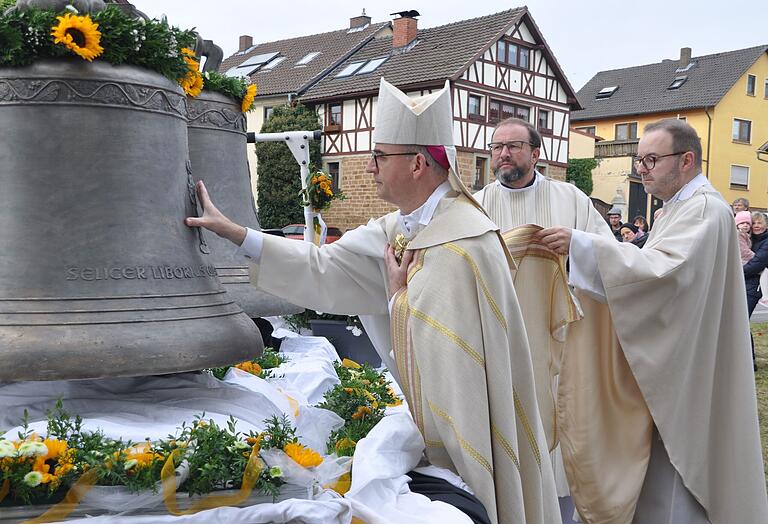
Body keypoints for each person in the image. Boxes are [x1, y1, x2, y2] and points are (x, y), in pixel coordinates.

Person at [186, 78, 559, 524]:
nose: (369, 168)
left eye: (380, 156)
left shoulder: (464, 239)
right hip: (431, 426)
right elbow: (322, 267)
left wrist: (400, 296)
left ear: (418, 163)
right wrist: (236, 234)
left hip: (470, 426)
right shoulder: (398, 227)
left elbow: (454, 360)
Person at [535, 118, 768, 523]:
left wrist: (582, 246)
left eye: (651, 159)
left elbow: (662, 276)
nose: (641, 168)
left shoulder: (706, 211)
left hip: (689, 373)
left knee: (678, 487)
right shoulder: (676, 209)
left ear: (687, 160)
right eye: (639, 159)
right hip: (676, 359)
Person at [475, 117, 646, 523]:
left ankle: (560, 509)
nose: (503, 154)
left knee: (559, 425)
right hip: (500, 334)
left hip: (562, 337)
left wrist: (577, 245)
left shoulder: (570, 198)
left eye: (513, 146)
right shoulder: (478, 202)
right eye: (497, 146)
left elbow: (610, 255)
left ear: (536, 154)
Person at [744, 211, 768, 370]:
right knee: (741, 321)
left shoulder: (766, 242)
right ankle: (747, 360)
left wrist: (736, 271)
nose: (756, 226)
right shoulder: (748, 240)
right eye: (754, 223)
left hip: (756, 285)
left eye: (760, 223)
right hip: (746, 282)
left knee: (742, 320)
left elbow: (758, 263)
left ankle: (750, 361)